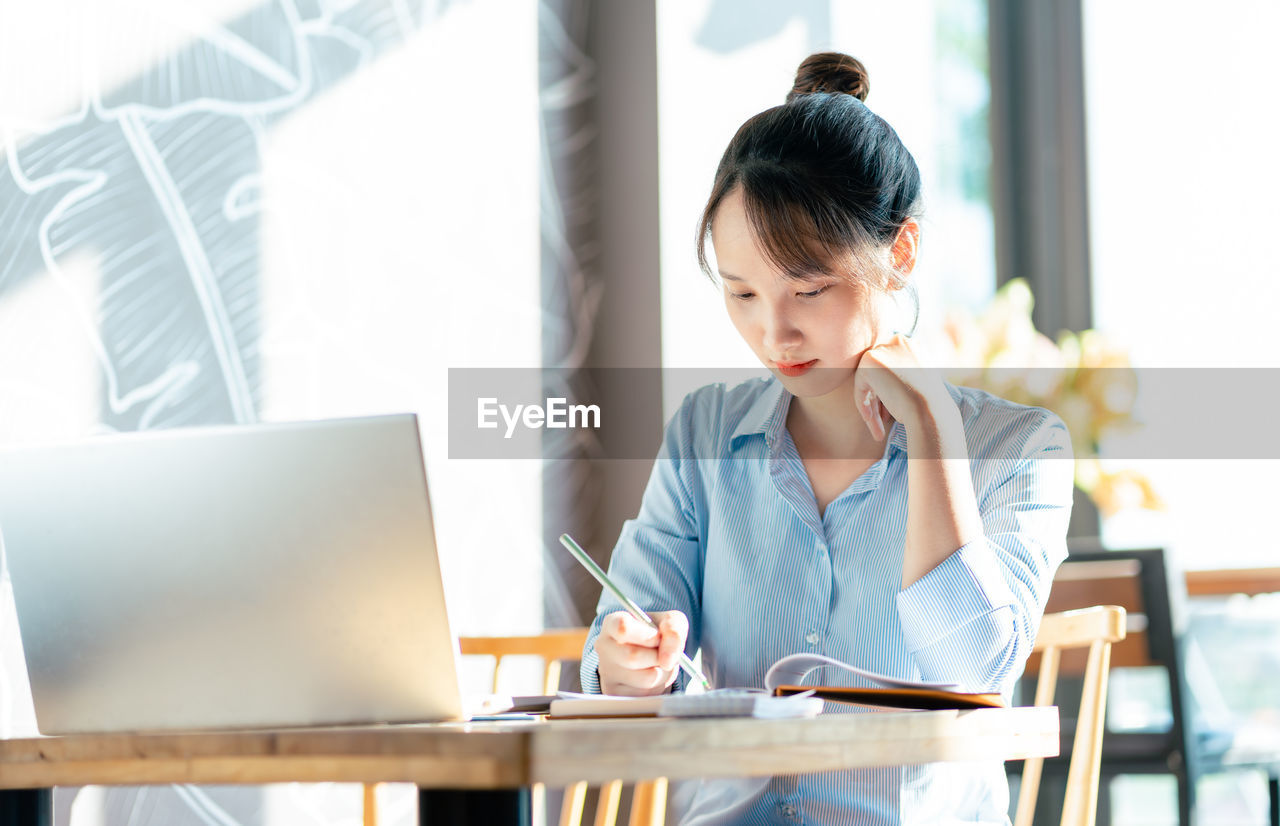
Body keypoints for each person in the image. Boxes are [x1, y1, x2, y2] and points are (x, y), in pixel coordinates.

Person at [580, 51, 1074, 825]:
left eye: (808, 289)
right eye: (741, 293)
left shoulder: (1019, 447)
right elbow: (623, 658)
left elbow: (974, 675)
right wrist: (628, 665)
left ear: (900, 254)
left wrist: (933, 433)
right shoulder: (706, 432)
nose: (773, 331)